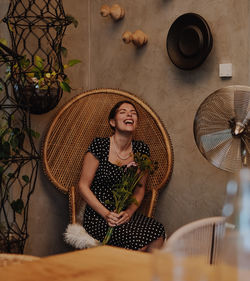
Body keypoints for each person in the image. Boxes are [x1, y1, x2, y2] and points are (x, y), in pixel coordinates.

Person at [79, 100, 166, 251]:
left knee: (158, 230)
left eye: (133, 113)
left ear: (136, 122)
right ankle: (128, 273)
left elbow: (140, 189)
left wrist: (129, 212)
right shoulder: (100, 145)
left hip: (123, 215)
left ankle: (145, 274)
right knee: (135, 241)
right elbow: (83, 186)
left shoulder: (141, 150)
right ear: (112, 122)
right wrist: (106, 214)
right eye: (123, 112)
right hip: (98, 215)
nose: (129, 114)